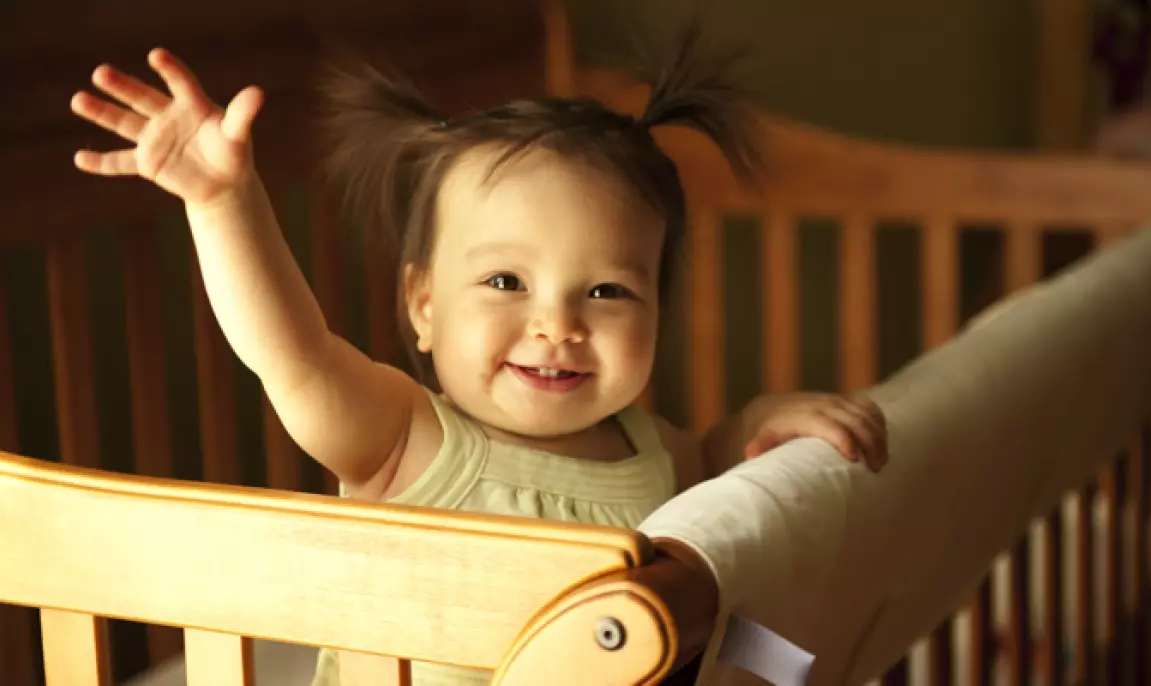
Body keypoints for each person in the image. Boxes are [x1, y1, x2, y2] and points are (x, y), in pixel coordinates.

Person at [69, 30, 888, 685]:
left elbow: (723, 516)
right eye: (506, 280)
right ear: (423, 305)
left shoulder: (655, 451)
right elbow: (294, 355)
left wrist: (756, 423)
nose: (557, 324)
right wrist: (221, 203)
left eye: (607, 292)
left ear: (658, 312)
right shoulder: (404, 439)